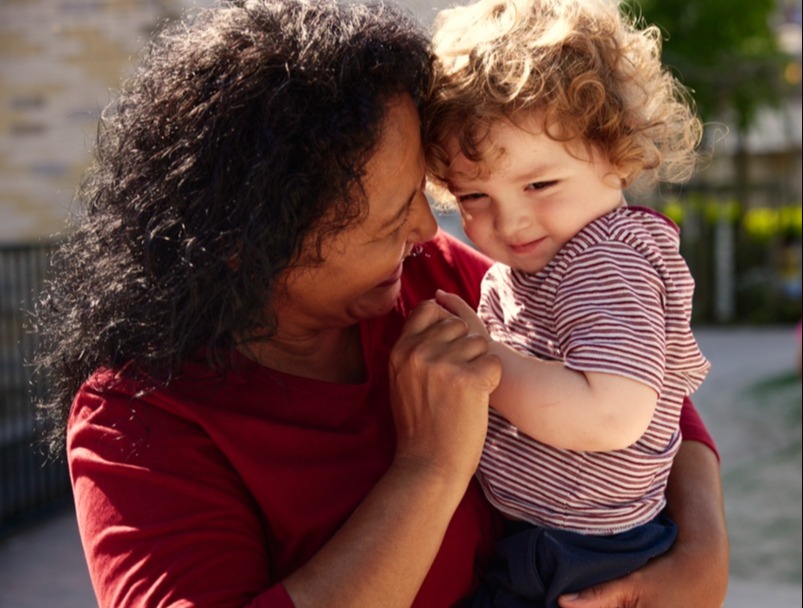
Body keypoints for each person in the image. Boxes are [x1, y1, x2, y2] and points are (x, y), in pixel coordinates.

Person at [32, 0, 727, 606]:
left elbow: (638, 379)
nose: (428, 232)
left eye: (425, 200)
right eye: (393, 218)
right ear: (249, 246)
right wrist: (429, 466)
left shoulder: (428, 278)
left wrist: (701, 554)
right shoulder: (140, 422)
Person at [423, 0, 716, 605]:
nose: (510, 219)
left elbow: (611, 414)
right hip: (560, 533)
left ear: (617, 152)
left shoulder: (604, 262)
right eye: (473, 196)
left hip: (582, 553)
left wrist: (483, 361)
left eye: (539, 184)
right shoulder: (557, 256)